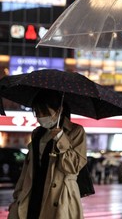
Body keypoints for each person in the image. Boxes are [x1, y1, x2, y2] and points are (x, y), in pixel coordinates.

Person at [8, 90, 87, 219]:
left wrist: (61, 138)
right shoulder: (38, 133)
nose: (41, 117)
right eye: (37, 113)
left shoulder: (75, 131)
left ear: (59, 110)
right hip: (33, 193)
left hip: (60, 197)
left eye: (45, 112)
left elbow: (73, 166)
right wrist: (17, 198)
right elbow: (27, 169)